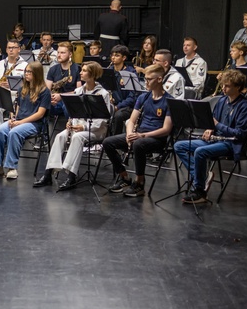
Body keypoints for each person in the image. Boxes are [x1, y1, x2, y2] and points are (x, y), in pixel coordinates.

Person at [174, 69, 247, 205]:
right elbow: (214, 121)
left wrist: (217, 125)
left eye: (227, 86)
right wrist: (210, 128)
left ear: (238, 87)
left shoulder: (245, 106)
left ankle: (200, 191)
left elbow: (240, 134)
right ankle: (202, 177)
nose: (223, 88)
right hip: (216, 139)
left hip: (231, 144)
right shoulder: (222, 101)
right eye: (223, 85)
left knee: (200, 152)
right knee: (179, 145)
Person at [37, 61, 114, 191]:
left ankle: (71, 176)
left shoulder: (103, 93)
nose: (80, 73)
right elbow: (74, 112)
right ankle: (48, 173)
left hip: (97, 129)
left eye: (84, 70)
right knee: (60, 136)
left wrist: (83, 128)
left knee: (78, 137)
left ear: (93, 74)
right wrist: (70, 122)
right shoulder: (79, 90)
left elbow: (102, 119)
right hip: (79, 127)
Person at [102, 64, 173, 198]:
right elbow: (132, 120)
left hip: (156, 139)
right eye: (145, 79)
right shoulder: (143, 97)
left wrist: (143, 135)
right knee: (108, 142)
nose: (145, 82)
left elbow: (166, 129)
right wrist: (129, 133)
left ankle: (139, 183)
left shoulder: (169, 101)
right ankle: (124, 178)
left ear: (159, 79)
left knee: (138, 144)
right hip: (138, 135)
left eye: (149, 79)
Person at [0, 61, 50, 180]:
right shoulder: (22, 88)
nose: (26, 74)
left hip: (34, 124)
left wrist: (20, 123)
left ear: (36, 74)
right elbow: (18, 108)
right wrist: (13, 119)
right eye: (25, 71)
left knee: (14, 132)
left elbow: (40, 114)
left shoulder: (44, 92)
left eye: (29, 72)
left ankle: (12, 167)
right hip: (19, 120)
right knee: (0, 130)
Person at [0, 39, 29, 129]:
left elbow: (29, 84)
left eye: (14, 48)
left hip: (18, 96)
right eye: (9, 48)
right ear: (6, 50)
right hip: (2, 95)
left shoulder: (26, 66)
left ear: (19, 49)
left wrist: (13, 85)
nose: (11, 50)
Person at [107, 45, 139, 136]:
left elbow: (132, 97)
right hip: (113, 103)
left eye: (117, 55)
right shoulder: (109, 71)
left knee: (118, 116)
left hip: (127, 106)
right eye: (112, 55)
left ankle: (115, 139)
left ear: (124, 58)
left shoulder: (130, 73)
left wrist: (118, 106)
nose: (113, 58)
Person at [46, 42, 81, 118]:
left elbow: (79, 91)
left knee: (66, 106)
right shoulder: (53, 69)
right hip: (55, 101)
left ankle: (71, 127)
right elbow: (47, 89)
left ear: (70, 54)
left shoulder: (77, 69)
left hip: (71, 101)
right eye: (58, 52)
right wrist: (50, 99)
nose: (59, 55)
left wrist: (61, 96)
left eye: (62, 53)